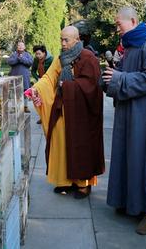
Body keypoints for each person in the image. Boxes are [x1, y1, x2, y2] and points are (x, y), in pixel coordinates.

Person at [102, 6, 146, 235]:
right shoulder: (131, 44)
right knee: (129, 154)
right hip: (129, 109)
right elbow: (126, 72)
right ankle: (131, 202)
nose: (117, 29)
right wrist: (113, 75)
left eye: (118, 24)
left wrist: (120, 77)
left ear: (132, 20)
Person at [29, 26, 104, 199]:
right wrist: (35, 89)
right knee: (60, 141)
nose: (62, 43)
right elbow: (49, 78)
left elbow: (91, 86)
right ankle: (64, 180)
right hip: (62, 109)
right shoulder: (60, 59)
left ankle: (83, 184)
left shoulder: (88, 58)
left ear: (77, 40)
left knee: (81, 147)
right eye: (61, 39)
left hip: (81, 114)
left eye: (66, 40)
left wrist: (67, 86)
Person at [7, 41, 33, 112]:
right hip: (14, 76)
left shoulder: (27, 54)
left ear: (24, 47)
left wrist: (22, 59)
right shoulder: (13, 54)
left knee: (25, 92)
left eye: (22, 45)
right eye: (19, 45)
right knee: (14, 92)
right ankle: (13, 107)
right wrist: (17, 59)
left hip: (25, 77)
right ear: (17, 47)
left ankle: (25, 106)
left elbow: (30, 62)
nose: (21, 47)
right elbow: (9, 62)